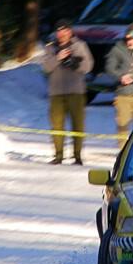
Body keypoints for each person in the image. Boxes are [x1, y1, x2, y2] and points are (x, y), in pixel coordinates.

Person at [42, 19, 94, 165]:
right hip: (56, 92)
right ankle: (58, 155)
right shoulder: (50, 48)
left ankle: (77, 156)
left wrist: (75, 63)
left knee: (78, 124)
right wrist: (58, 58)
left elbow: (88, 65)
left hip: (76, 91)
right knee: (57, 125)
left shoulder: (79, 45)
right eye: (59, 31)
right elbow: (46, 67)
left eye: (65, 30)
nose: (62, 33)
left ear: (70, 31)